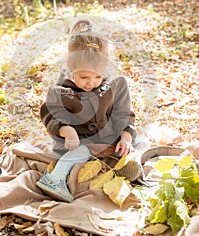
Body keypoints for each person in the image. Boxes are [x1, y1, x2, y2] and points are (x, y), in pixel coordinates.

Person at [36, 20, 142, 202]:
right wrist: (66, 130)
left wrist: (126, 135)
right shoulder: (61, 91)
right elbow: (50, 116)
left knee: (133, 145)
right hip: (77, 142)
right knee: (84, 151)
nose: (91, 83)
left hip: (109, 138)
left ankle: (125, 165)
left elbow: (123, 114)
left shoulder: (116, 85)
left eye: (98, 77)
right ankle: (54, 178)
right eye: (83, 77)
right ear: (71, 68)